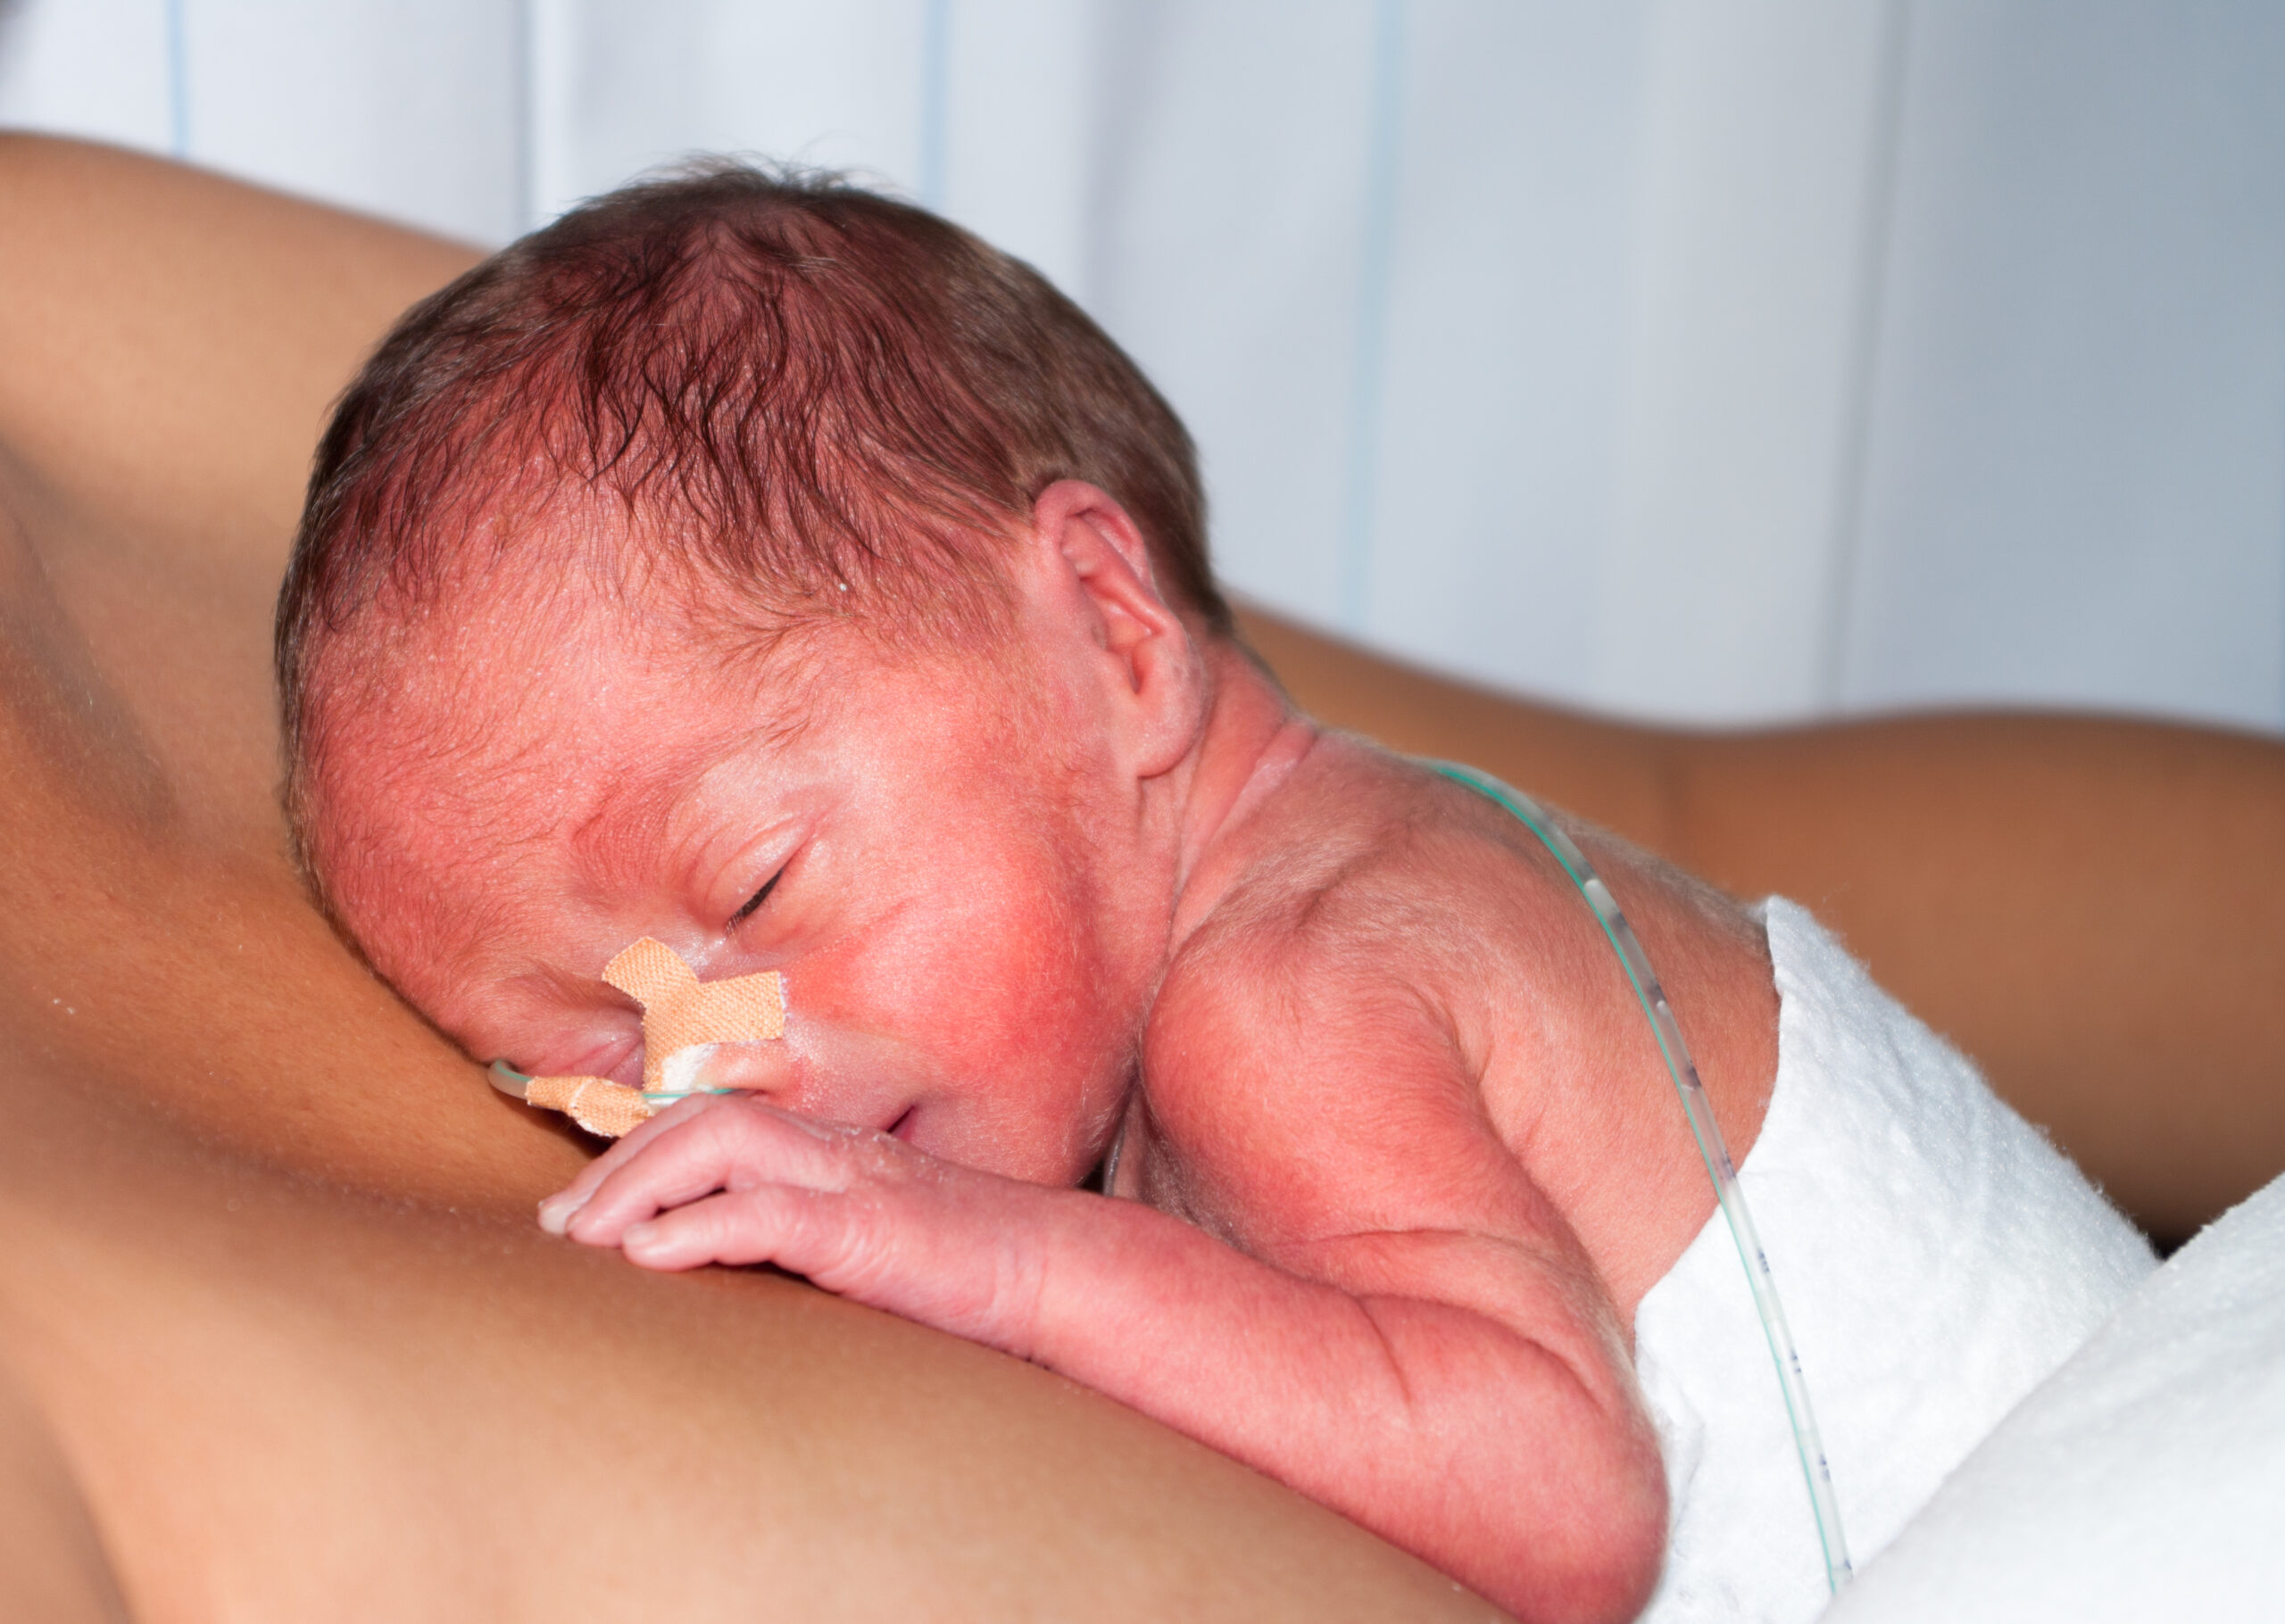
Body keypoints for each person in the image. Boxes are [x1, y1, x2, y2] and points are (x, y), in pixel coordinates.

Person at [275, 164, 2154, 1622]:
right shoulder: (1275, 916)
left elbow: (1563, 1501)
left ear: (1106, 632)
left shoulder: (1293, 982)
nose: (725, 1064)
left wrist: (995, 1258)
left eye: (756, 885)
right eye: (601, 1063)